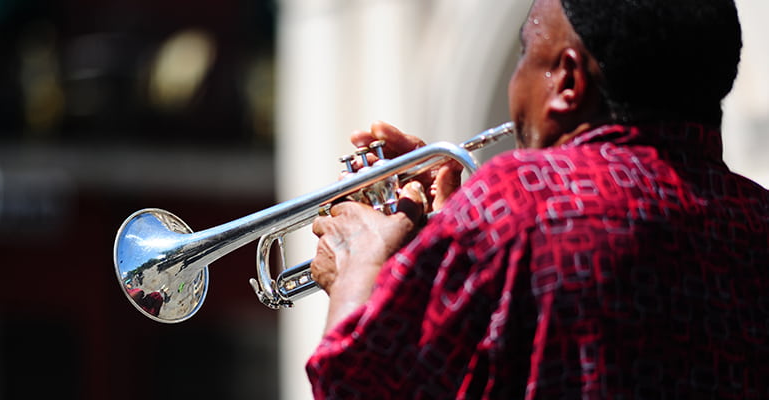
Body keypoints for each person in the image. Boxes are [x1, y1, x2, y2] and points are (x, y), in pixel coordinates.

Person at [308, 0, 769, 398]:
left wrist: (358, 267)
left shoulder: (522, 200)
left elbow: (360, 385)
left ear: (567, 81)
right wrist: (455, 238)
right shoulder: (758, 222)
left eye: (526, 51)